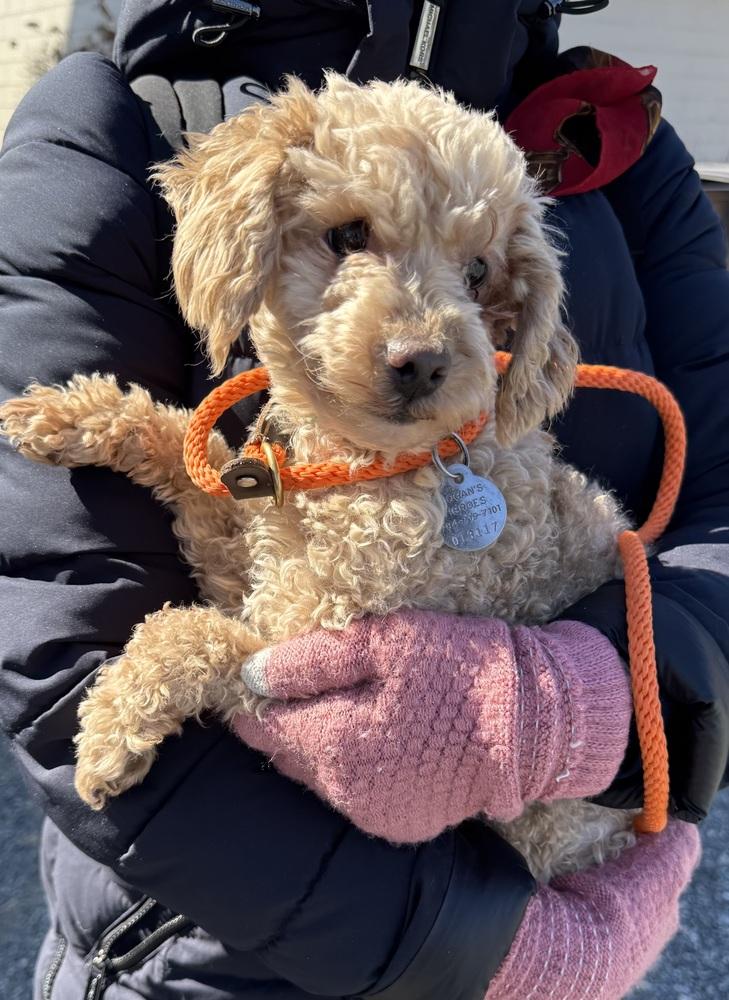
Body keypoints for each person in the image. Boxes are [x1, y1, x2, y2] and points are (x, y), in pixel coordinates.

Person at [0, 1, 726, 998]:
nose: (419, 334)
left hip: (533, 867)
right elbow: (62, 659)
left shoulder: (614, 132)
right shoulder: (114, 125)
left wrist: (598, 704)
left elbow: (294, 662)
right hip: (197, 963)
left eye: (472, 273)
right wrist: (158, 445)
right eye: (350, 237)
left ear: (510, 298)